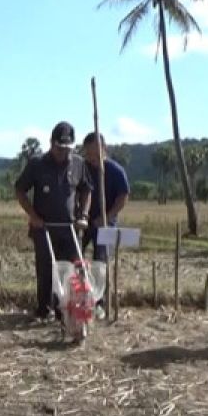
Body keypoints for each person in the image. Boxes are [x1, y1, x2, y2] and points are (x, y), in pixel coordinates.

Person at [15, 121, 92, 321]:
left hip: (70, 228)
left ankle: (65, 309)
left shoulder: (78, 164)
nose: (63, 153)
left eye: (67, 149)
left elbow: (86, 190)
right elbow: (20, 190)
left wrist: (83, 215)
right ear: (51, 143)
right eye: (59, 148)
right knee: (46, 268)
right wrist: (33, 216)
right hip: (44, 227)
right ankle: (44, 309)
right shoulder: (37, 164)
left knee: (70, 269)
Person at [82, 132, 130, 319]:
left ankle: (99, 303)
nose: (92, 159)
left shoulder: (115, 171)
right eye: (88, 155)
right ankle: (76, 298)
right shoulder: (83, 168)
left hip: (105, 223)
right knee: (74, 256)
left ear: (104, 149)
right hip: (84, 221)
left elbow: (123, 197)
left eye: (95, 154)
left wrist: (107, 217)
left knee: (100, 262)